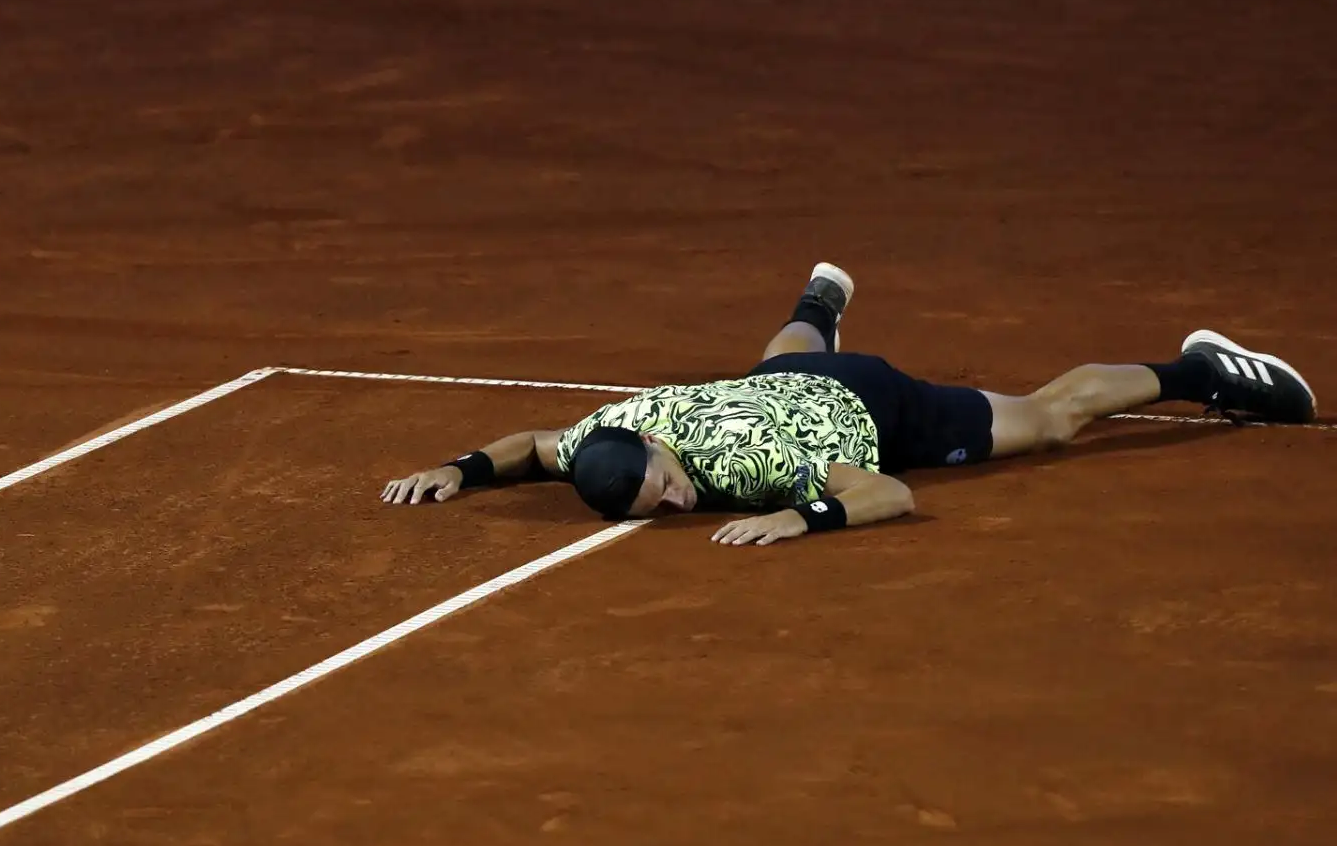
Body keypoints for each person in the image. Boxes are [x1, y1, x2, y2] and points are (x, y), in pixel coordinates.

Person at [379, 264, 1317, 545]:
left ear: (662, 456)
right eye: (651, 505)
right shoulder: (601, 434)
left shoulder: (743, 470)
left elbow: (887, 495)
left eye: (664, 487)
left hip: (878, 408)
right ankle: (817, 305)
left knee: (1046, 421)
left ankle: (1201, 369)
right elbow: (534, 444)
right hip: (788, 386)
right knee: (775, 368)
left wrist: (799, 517)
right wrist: (457, 471)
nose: (672, 502)